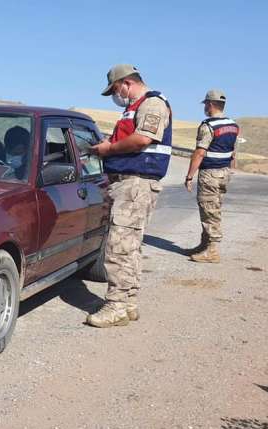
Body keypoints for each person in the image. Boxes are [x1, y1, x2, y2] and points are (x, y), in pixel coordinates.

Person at [86, 64, 172, 328]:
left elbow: (142, 139)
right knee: (130, 247)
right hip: (128, 184)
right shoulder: (134, 107)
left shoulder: (152, 103)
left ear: (126, 83)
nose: (116, 95)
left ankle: (117, 306)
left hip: (136, 184)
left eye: (115, 89)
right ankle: (129, 302)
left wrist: (108, 149)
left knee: (119, 247)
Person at [183, 90, 239, 263]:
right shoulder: (233, 125)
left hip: (210, 174)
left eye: (206, 104)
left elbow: (200, 153)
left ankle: (212, 250)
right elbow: (233, 152)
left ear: (210, 104)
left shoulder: (208, 126)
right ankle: (204, 245)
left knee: (209, 210)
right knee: (214, 207)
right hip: (224, 173)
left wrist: (189, 176)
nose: (205, 108)